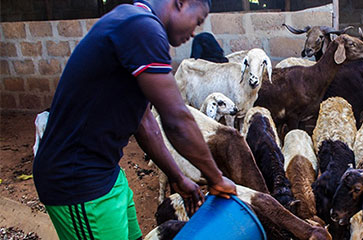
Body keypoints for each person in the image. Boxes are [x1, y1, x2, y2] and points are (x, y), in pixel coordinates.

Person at [32, 0, 237, 239]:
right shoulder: (143, 28)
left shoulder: (132, 21)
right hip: (78, 182)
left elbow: (145, 122)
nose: (194, 33)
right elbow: (177, 119)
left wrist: (177, 177)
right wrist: (216, 178)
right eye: (197, 21)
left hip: (107, 173)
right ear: (181, 3)